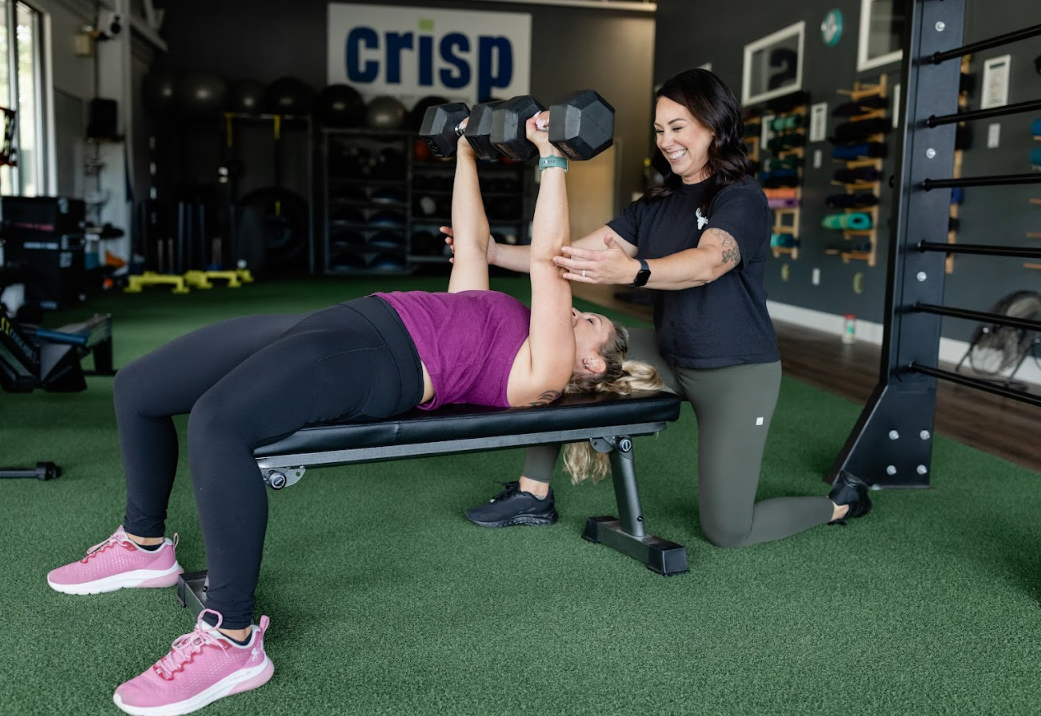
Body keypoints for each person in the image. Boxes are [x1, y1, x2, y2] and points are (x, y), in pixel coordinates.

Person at [46, 113, 663, 716]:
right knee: (139, 386)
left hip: (379, 360)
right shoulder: (507, 322)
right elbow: (472, 245)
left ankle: (232, 639)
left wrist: (553, 160)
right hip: (347, 319)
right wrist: (465, 151)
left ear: (589, 367)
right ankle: (144, 543)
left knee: (218, 423)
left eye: (588, 322)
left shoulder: (547, 369)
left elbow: (551, 264)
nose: (576, 314)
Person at [455, 68, 872, 541]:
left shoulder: (741, 198)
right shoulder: (655, 203)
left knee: (728, 530)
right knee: (563, 359)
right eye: (659, 130)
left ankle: (839, 504)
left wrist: (633, 271)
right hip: (668, 353)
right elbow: (564, 257)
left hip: (736, 372)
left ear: (715, 126)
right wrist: (490, 253)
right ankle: (533, 494)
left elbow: (710, 261)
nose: (667, 141)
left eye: (679, 128)